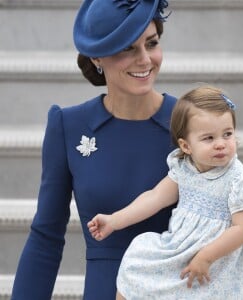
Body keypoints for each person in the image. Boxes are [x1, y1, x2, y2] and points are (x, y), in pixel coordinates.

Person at [11, 1, 176, 299]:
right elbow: (46, 238)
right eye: (127, 48)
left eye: (151, 44)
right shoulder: (68, 125)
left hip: (181, 287)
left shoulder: (193, 122)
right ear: (97, 58)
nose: (145, 60)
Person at [88, 85, 243, 300]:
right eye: (209, 138)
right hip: (183, 245)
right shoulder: (184, 167)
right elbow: (155, 197)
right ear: (186, 146)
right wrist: (114, 221)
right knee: (138, 259)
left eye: (227, 134)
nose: (220, 144)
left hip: (224, 255)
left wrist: (206, 257)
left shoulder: (240, 180)